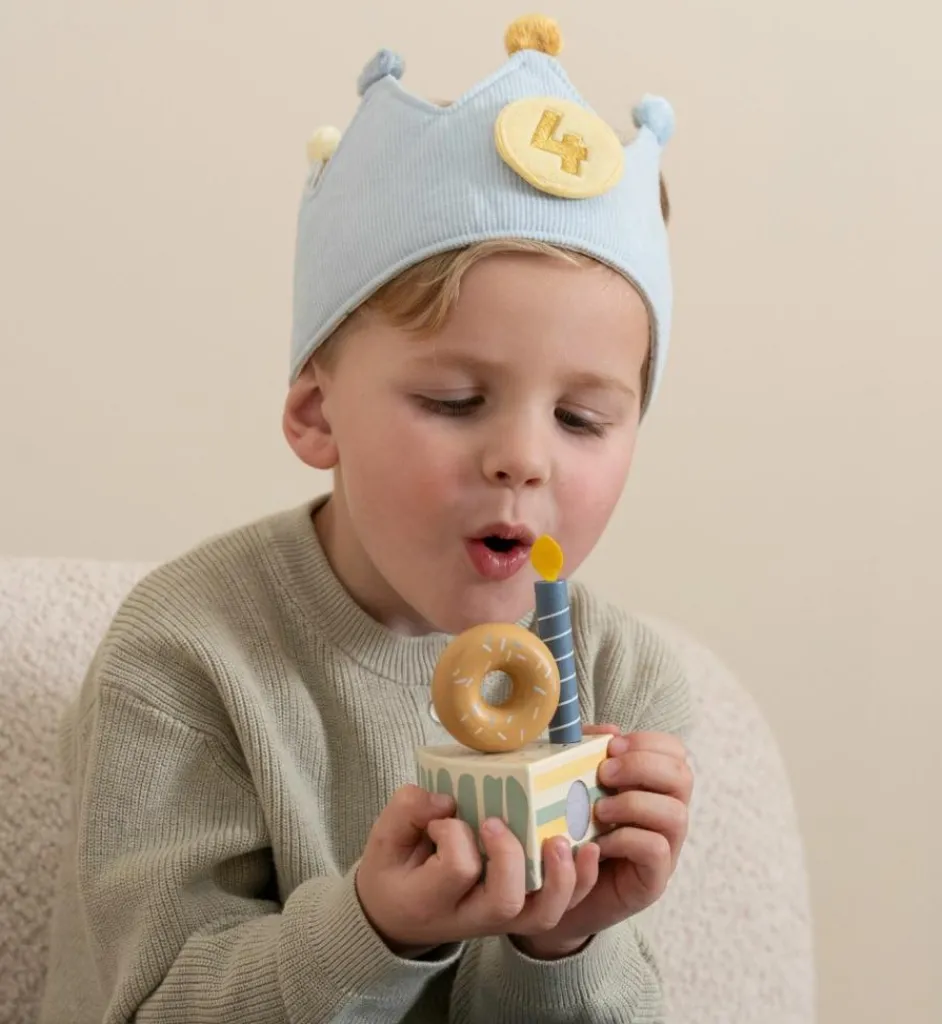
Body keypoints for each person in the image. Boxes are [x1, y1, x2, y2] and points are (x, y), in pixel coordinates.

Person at [38, 14, 694, 1024]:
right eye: (453, 401)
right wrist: (376, 930)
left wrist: (560, 940)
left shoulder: (622, 683)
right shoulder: (186, 655)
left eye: (581, 417)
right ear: (315, 411)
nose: (523, 456)